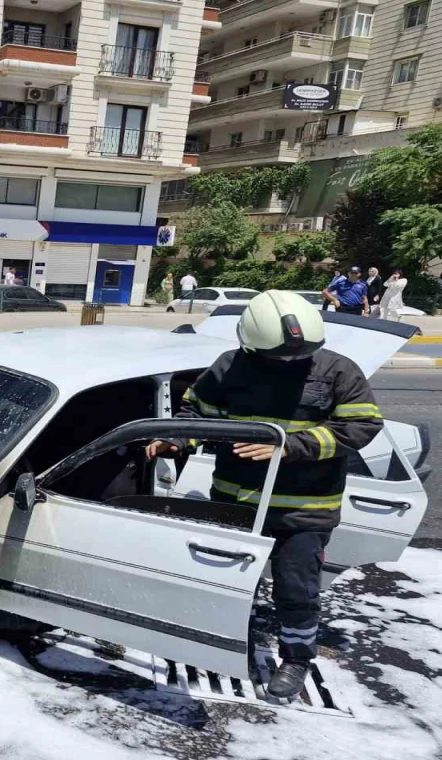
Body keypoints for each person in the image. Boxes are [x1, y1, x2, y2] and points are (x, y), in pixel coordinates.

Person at [145, 290, 382, 702]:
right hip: (237, 503)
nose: (289, 362)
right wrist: (177, 439)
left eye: (298, 356)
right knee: (234, 582)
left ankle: (295, 659)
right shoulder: (230, 368)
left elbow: (361, 427)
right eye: (278, 357)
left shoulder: (338, 371)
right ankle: (233, 640)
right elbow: (198, 414)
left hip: (304, 510)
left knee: (296, 589)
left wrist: (290, 446)